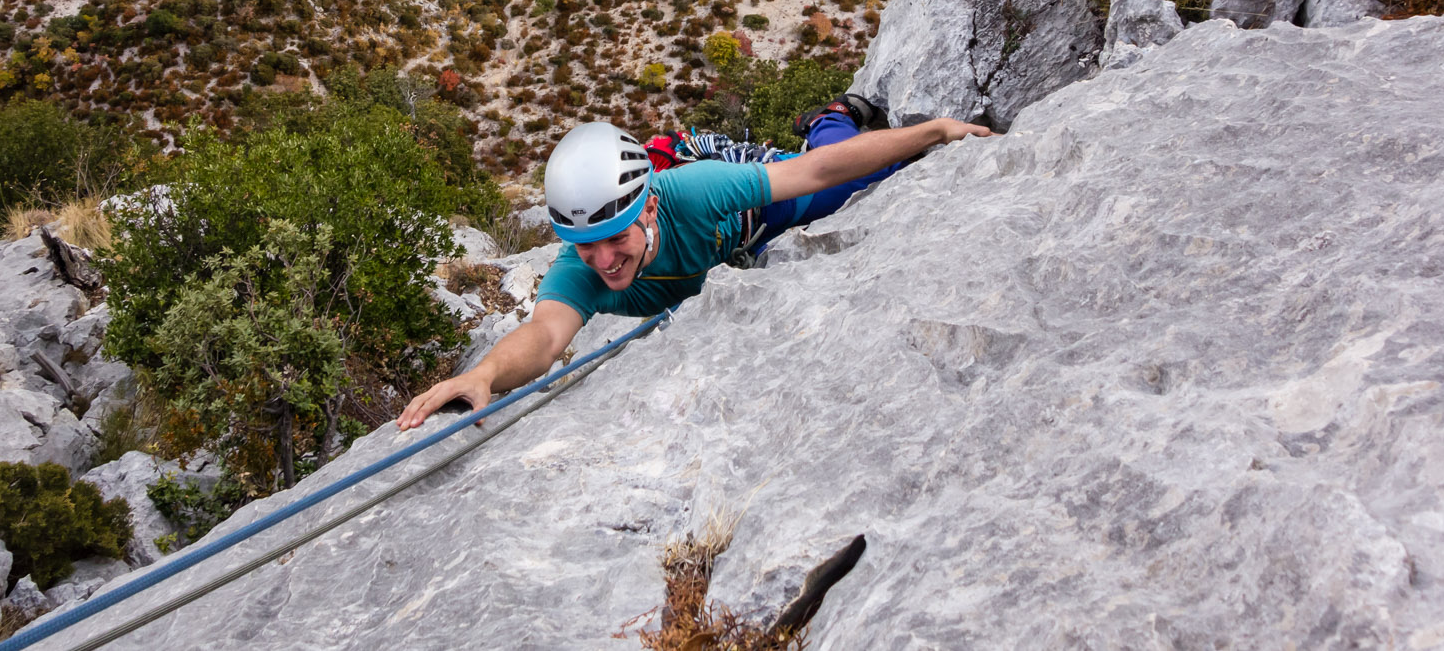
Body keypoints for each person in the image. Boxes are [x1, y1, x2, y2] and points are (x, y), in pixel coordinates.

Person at [396, 97, 995, 428]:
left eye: (617, 237)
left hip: (754, 222)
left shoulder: (694, 191)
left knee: (852, 174)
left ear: (650, 206)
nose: (604, 261)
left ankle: (830, 114)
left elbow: (811, 174)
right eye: (586, 245)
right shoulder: (578, 271)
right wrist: (484, 377)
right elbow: (544, 336)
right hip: (730, 246)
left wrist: (936, 132)